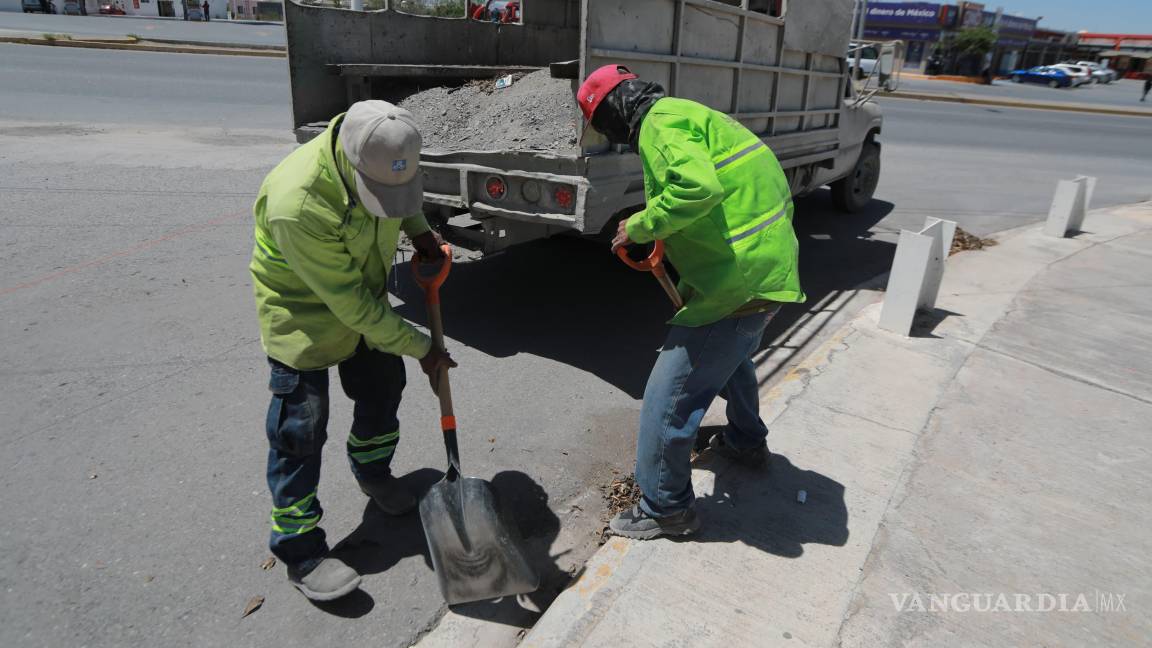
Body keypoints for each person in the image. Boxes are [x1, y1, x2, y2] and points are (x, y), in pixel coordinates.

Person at [576, 65, 805, 540]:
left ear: (612, 115)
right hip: (765, 270)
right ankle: (745, 440)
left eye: (602, 126)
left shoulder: (658, 125)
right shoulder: (688, 113)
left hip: (738, 282)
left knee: (669, 396)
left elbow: (697, 188)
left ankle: (665, 507)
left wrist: (641, 226)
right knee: (731, 357)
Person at [249, 100, 456, 601]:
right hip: (304, 320)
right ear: (349, 161)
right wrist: (424, 347)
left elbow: (401, 200)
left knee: (383, 393)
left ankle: (372, 472)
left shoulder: (387, 154)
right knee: (300, 431)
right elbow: (354, 309)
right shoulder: (296, 202)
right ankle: (299, 548)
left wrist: (423, 234)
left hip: (367, 305)